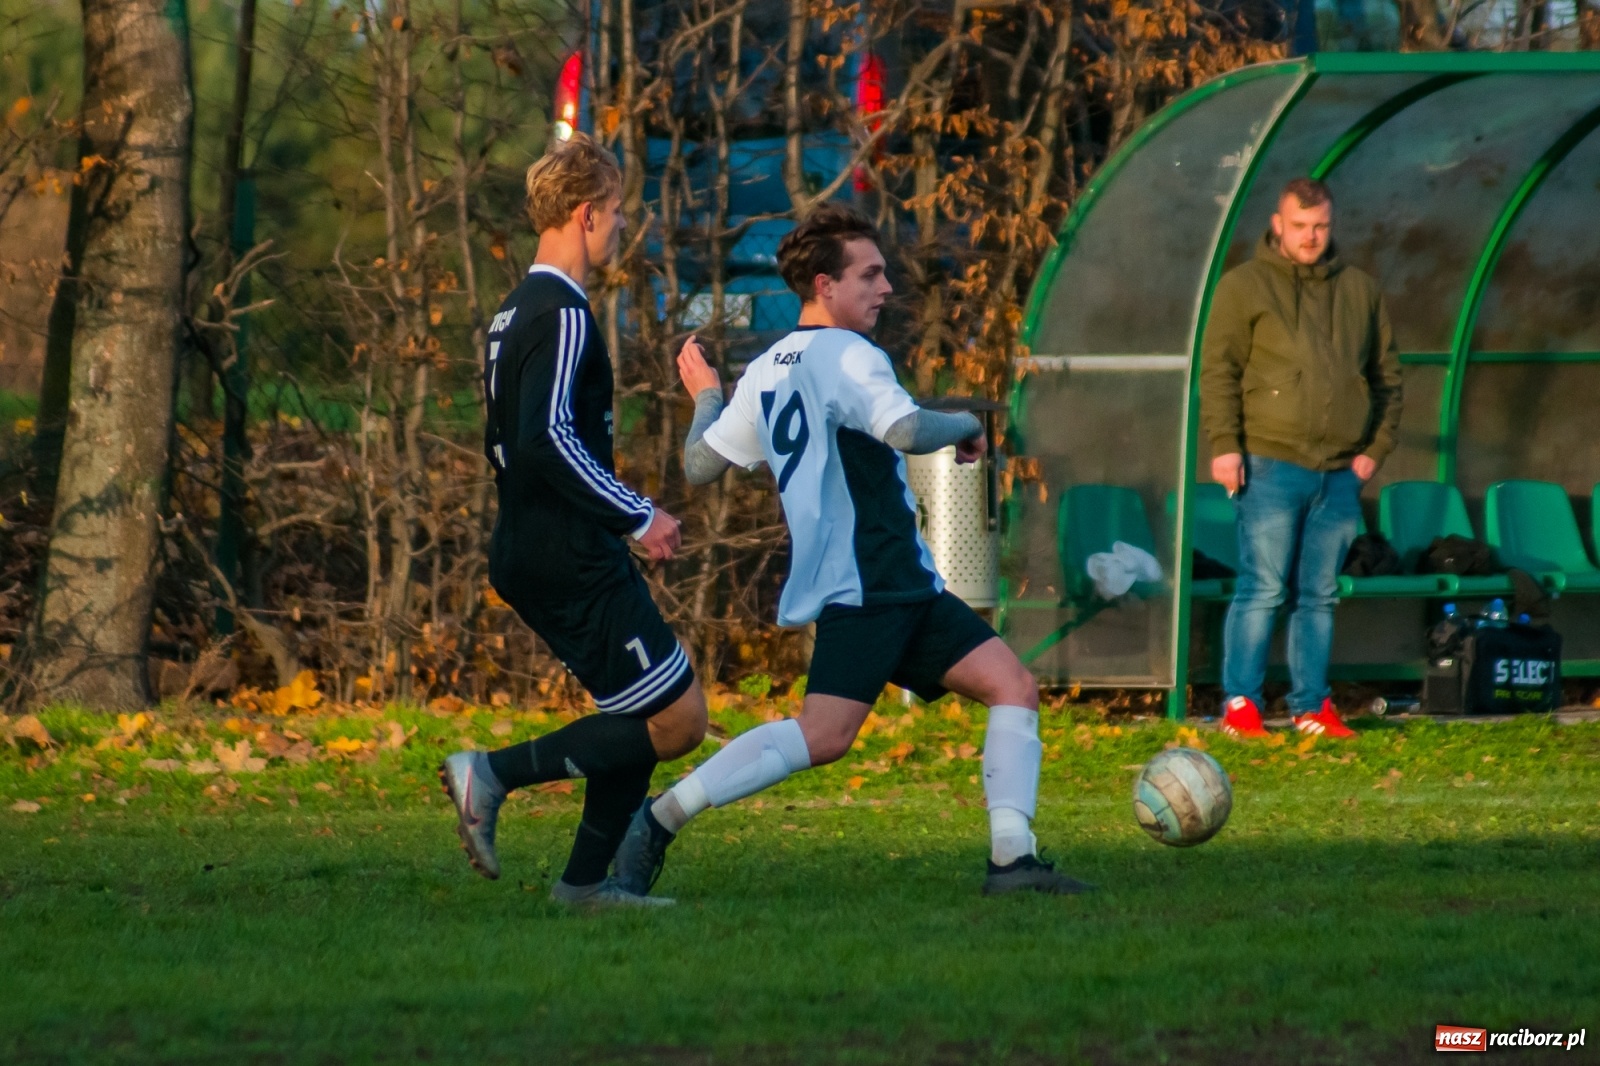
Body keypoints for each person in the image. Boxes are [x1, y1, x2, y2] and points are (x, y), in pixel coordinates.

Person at [611, 203, 1093, 898]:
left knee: (1011, 686)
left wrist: (708, 396)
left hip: (897, 581)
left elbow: (700, 464)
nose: (886, 287)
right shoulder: (849, 354)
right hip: (869, 582)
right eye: (869, 274)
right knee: (822, 737)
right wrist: (967, 424)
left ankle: (1013, 863)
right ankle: (658, 819)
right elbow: (905, 430)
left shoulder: (767, 366)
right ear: (824, 285)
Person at [438, 133, 708, 907]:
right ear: (587, 213)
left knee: (641, 710)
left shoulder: (514, 311)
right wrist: (636, 513)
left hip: (539, 543)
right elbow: (546, 438)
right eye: (617, 212)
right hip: (565, 550)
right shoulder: (562, 313)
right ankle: (489, 774)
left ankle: (585, 887)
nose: (620, 227)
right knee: (679, 718)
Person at [1199, 177, 1402, 740]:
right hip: (1269, 462)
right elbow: (1219, 371)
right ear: (1277, 225)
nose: (1311, 236)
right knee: (1262, 588)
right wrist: (1225, 445)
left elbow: (1388, 378)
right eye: (1299, 226)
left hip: (1339, 473)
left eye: (1320, 226)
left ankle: (1311, 706)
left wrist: (1374, 451)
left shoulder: (1360, 290)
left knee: (1319, 595)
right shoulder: (1244, 286)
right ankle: (1241, 704)